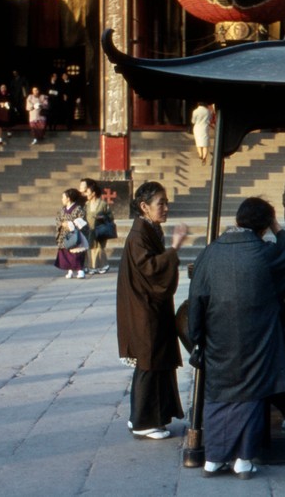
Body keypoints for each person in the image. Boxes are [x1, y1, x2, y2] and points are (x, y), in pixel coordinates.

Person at [187, 197, 285, 479]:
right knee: (251, 394)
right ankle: (243, 458)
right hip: (256, 336)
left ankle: (213, 458)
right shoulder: (264, 252)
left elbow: (196, 298)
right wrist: (277, 225)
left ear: (238, 220)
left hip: (218, 336)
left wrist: (197, 339)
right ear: (264, 227)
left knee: (218, 394)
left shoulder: (210, 252)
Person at [116, 181, 189, 440]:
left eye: (167, 202)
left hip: (150, 306)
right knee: (149, 362)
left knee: (156, 363)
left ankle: (148, 416)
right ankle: (143, 422)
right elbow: (149, 269)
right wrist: (175, 248)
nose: (166, 208)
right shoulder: (138, 236)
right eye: (161, 203)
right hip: (143, 309)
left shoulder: (149, 229)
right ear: (144, 207)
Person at [54, 188, 88, 279]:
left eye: (63, 197)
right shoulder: (62, 209)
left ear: (68, 198)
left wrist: (70, 224)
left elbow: (82, 220)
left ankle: (80, 270)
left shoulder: (78, 209)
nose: (62, 199)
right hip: (64, 235)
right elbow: (58, 219)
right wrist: (61, 224)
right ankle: (70, 270)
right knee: (66, 253)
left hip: (74, 234)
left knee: (76, 253)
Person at [79, 177, 111, 274]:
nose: (86, 194)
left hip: (100, 228)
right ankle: (91, 266)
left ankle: (103, 265)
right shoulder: (86, 204)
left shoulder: (102, 204)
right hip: (90, 229)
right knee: (90, 248)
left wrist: (102, 217)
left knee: (99, 248)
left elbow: (110, 216)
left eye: (87, 192)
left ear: (93, 193)